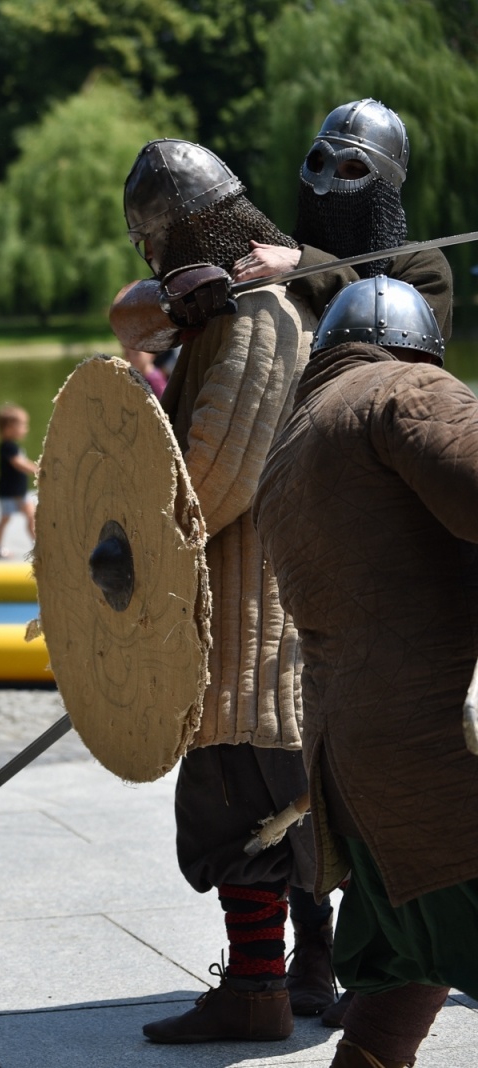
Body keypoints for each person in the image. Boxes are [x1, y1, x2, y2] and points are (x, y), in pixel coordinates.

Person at [109, 141, 319, 1044]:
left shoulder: (257, 321)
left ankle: (260, 996)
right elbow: (134, 320)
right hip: (238, 608)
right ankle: (289, 982)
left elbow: (214, 478)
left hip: (250, 618)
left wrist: (126, 543)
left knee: (243, 810)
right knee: (261, 813)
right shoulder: (225, 316)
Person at [253, 277, 477, 1068]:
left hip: (355, 769)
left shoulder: (291, 443)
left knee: (403, 976)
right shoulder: (405, 388)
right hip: (443, 758)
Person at [233, 99, 452, 344]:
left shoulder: (421, 266)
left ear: (385, 187)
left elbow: (390, 344)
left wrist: (305, 267)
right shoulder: (277, 255)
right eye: (318, 163)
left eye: (353, 169)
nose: (326, 181)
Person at [0, 403, 36, 559]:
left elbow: (22, 461)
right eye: (22, 425)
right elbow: (18, 463)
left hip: (17, 491)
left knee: (31, 516)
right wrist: (37, 471)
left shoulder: (13, 446)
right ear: (9, 427)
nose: (25, 429)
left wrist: (36, 467)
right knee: (6, 518)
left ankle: (37, 544)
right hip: (10, 492)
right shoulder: (7, 447)